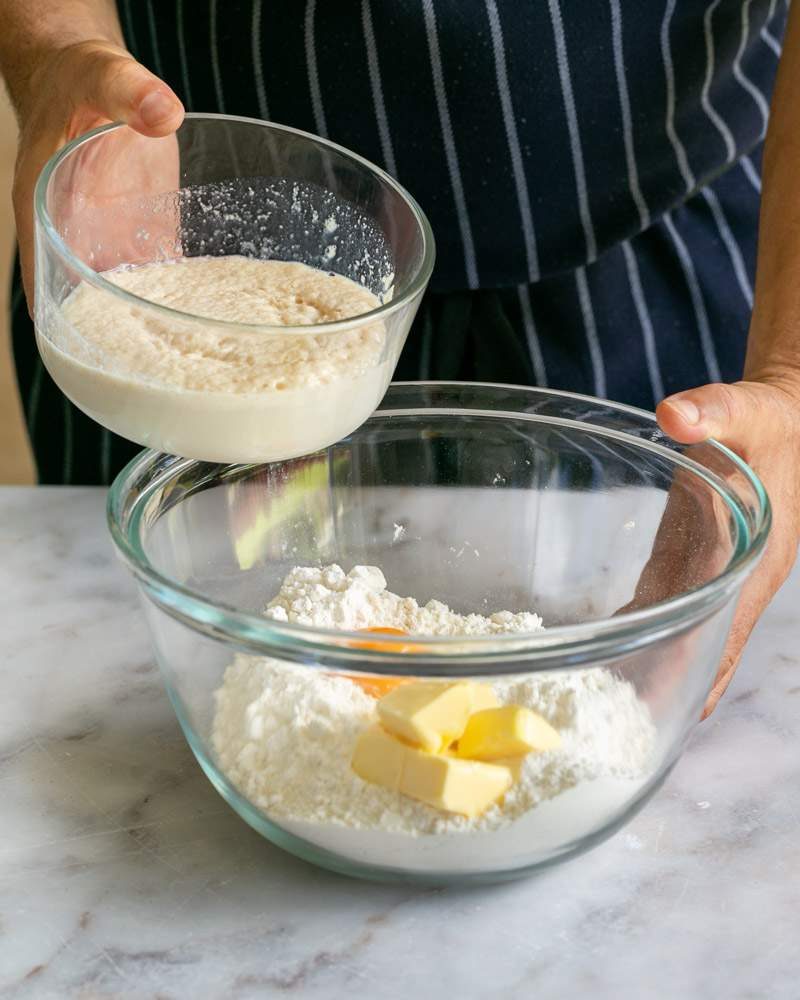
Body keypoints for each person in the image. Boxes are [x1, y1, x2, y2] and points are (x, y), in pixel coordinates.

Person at [1, 0, 797, 715]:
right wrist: (56, 44)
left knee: (615, 696)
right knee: (116, 692)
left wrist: (790, 375)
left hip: (656, 251)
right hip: (150, 230)